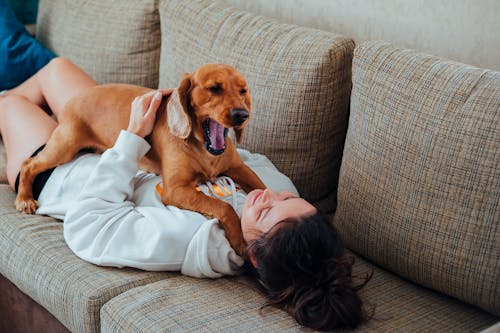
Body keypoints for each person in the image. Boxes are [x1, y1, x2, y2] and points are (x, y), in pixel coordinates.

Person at [0, 58, 371, 330]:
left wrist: (131, 138)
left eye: (267, 211)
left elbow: (87, 226)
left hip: (64, 176)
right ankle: (34, 137)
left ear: (252, 253)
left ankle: (16, 167)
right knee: (57, 68)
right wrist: (180, 122)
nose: (271, 196)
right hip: (120, 137)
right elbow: (247, 162)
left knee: (12, 103)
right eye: (289, 198)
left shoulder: (191, 239)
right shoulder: (283, 205)